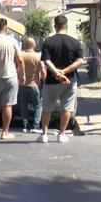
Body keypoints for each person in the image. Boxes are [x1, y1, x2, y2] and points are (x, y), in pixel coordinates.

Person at [37, 15, 84, 144]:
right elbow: (79, 61)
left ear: (55, 26)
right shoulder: (75, 42)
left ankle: (44, 134)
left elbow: (46, 61)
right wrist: (64, 72)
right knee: (67, 108)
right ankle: (62, 134)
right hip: (70, 80)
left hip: (51, 81)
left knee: (47, 108)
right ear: (66, 26)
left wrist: (57, 73)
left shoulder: (48, 42)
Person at [17, 37, 45, 133]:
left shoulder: (20, 55)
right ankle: (35, 125)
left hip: (22, 84)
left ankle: (25, 125)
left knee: (23, 104)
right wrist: (44, 80)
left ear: (25, 45)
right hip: (34, 85)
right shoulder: (38, 56)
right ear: (34, 45)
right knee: (38, 105)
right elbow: (42, 71)